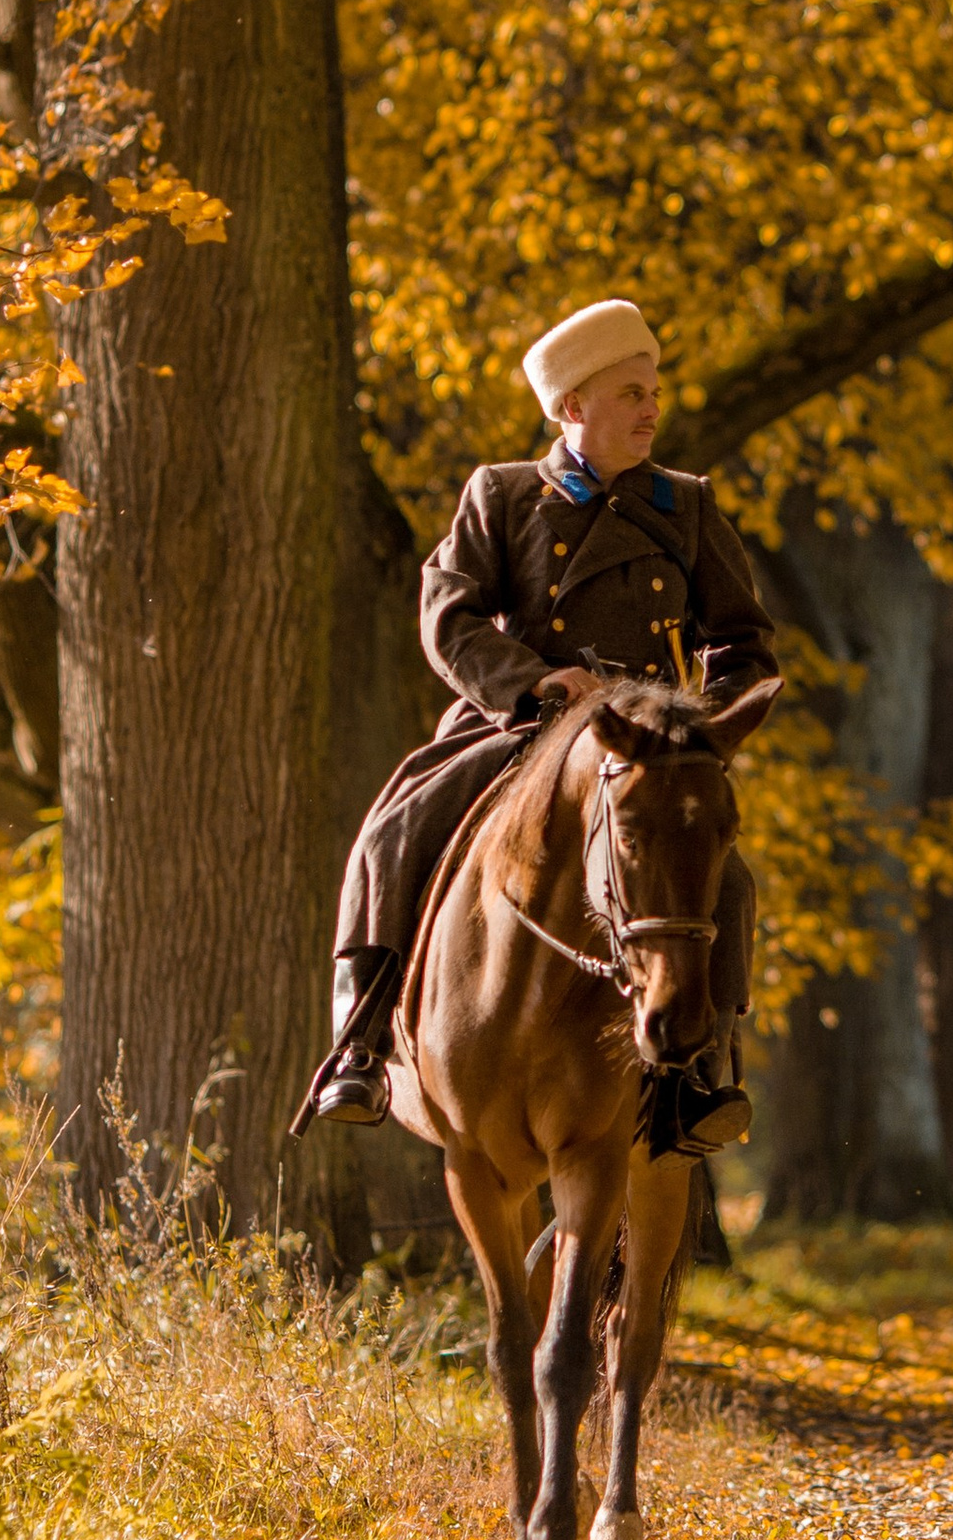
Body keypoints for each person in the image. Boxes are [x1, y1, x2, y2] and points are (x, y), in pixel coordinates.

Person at [303, 296, 779, 1151]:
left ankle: (701, 1075)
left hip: (645, 754)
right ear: (572, 409)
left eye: (654, 389)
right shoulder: (502, 494)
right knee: (393, 831)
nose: (651, 407)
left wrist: (694, 728)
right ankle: (362, 1044)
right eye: (631, 392)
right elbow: (447, 615)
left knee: (727, 882)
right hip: (518, 731)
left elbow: (744, 645)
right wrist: (532, 685)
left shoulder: (687, 507)